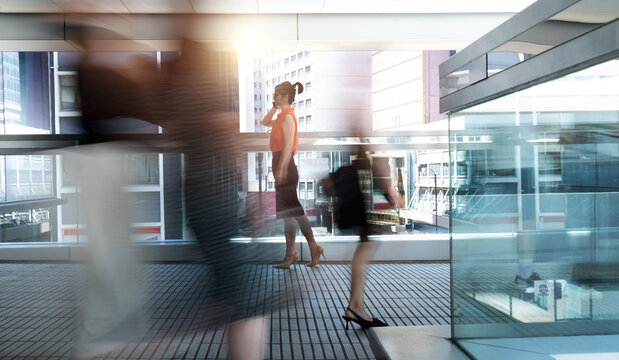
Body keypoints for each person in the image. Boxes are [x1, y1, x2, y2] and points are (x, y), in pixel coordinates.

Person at [324, 149, 403, 329]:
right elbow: (370, 157)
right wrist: (387, 187)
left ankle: (357, 306)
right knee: (366, 244)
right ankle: (355, 307)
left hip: (351, 184)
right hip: (354, 186)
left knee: (365, 243)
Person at [262, 81, 324, 269]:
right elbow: (264, 122)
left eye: (278, 96)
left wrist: (281, 168)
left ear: (286, 97)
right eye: (274, 96)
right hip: (280, 164)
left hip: (285, 166)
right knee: (288, 213)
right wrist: (274, 108)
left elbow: (288, 145)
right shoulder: (281, 116)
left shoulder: (289, 117)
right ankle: (293, 253)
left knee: (294, 211)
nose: (275, 98)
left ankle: (309, 248)